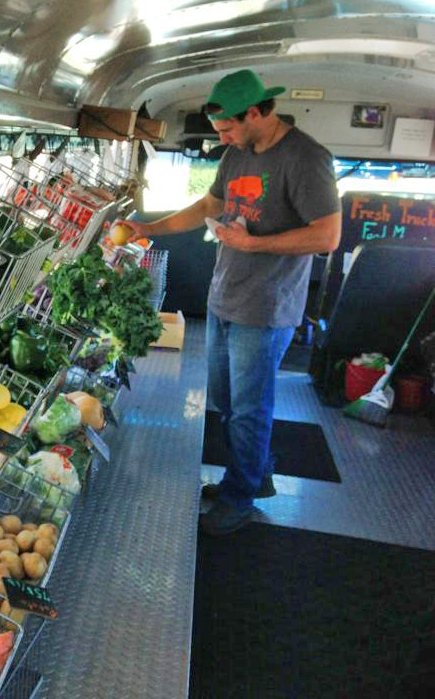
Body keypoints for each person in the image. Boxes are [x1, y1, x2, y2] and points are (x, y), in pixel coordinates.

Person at [119, 69, 341, 535]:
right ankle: (256, 476)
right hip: (225, 297)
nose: (223, 140)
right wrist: (148, 228)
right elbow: (207, 207)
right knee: (225, 400)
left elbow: (327, 235)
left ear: (257, 112)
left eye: (228, 129)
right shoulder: (238, 154)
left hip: (266, 307)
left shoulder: (305, 159)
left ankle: (239, 496)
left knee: (249, 408)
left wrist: (252, 245)